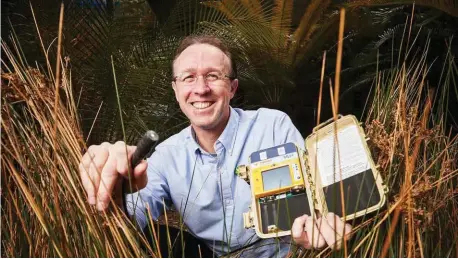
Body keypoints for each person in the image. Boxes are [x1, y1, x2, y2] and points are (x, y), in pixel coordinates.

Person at [79, 35, 352, 257]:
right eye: (188, 77)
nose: (201, 89)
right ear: (176, 91)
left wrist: (319, 227)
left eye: (213, 76)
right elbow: (131, 221)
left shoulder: (272, 127)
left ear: (232, 88)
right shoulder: (166, 157)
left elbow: (315, 200)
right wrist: (114, 196)